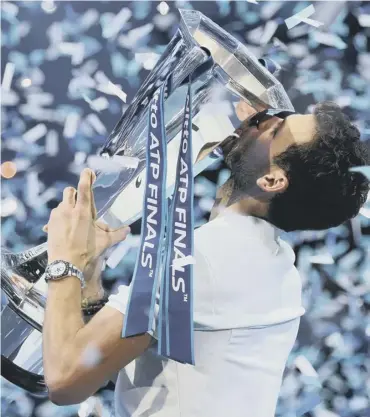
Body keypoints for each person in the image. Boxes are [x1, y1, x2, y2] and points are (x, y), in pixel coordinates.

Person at [42, 101, 369, 417]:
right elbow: (131, 365)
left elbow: (65, 380)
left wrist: (64, 259)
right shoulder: (274, 261)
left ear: (271, 181)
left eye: (275, 127)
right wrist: (90, 271)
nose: (262, 117)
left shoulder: (207, 257)